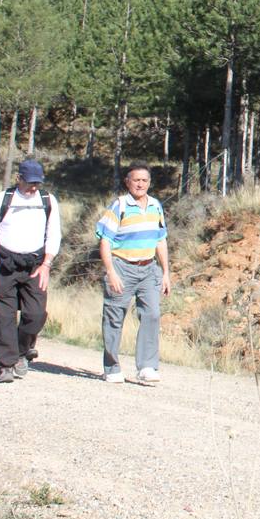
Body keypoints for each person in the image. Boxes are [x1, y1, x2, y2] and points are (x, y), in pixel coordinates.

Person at [0, 159, 63, 383]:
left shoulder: (48, 201)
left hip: (35, 265)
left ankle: (22, 351)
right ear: (19, 179)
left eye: (37, 183)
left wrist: (47, 264)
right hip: (4, 264)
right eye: (29, 182)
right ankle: (5, 365)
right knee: (4, 316)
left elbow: (54, 234)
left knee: (35, 315)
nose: (33, 187)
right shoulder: (2, 199)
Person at [96, 162, 171, 384]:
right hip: (122, 267)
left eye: (144, 180)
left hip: (149, 269)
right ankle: (111, 368)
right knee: (114, 318)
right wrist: (111, 272)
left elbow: (160, 240)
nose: (140, 184)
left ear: (149, 183)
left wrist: (166, 272)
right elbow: (105, 241)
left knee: (152, 314)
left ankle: (147, 366)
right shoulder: (118, 206)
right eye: (136, 180)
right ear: (127, 182)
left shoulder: (156, 206)